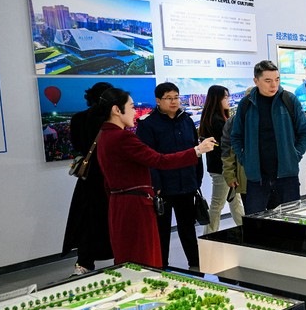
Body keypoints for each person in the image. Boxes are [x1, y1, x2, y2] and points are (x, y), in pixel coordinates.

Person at [95, 88, 216, 269]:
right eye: (132, 107)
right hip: (137, 203)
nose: (135, 111)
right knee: (144, 253)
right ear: (116, 110)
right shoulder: (124, 136)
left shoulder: (104, 135)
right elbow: (158, 160)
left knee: (130, 254)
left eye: (176, 97)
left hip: (122, 202)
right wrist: (197, 151)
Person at [231, 60, 306, 214]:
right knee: (256, 222)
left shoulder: (289, 100)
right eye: (268, 81)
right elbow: (235, 136)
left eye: (277, 79)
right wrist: (245, 160)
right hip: (257, 178)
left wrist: (294, 155)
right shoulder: (246, 104)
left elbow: (305, 132)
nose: (273, 85)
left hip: (286, 176)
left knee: (290, 220)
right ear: (256, 81)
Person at [136, 83, 203, 269]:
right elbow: (148, 158)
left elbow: (195, 151)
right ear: (158, 100)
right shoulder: (148, 124)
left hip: (187, 184)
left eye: (176, 97)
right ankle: (161, 266)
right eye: (168, 98)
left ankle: (195, 265)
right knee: (162, 230)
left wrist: (197, 178)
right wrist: (155, 184)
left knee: (188, 227)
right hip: (163, 188)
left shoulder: (186, 120)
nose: (174, 102)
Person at [62, 81, 114, 275]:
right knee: (113, 220)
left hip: (88, 177)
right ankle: (121, 258)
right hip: (110, 176)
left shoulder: (78, 119)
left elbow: (77, 145)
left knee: (86, 222)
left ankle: (83, 263)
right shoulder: (110, 121)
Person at [198, 85, 244, 233]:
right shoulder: (217, 121)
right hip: (222, 168)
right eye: (225, 97)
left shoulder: (213, 118)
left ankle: (246, 230)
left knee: (234, 201)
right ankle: (209, 234)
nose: (228, 100)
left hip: (222, 167)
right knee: (218, 204)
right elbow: (226, 146)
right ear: (217, 99)